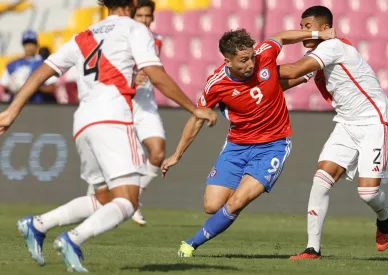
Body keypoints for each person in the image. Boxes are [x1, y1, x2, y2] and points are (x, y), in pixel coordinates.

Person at [0, 0, 217, 272]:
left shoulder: (85, 34)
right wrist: (194, 109)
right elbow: (155, 74)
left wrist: (11, 111)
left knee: (103, 198)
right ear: (132, 4)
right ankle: (73, 239)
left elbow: (42, 71)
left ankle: (37, 225)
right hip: (112, 118)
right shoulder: (134, 29)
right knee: (127, 201)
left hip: (83, 123)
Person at [161, 28, 336, 257]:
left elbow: (281, 37)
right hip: (236, 147)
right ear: (228, 60)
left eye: (252, 57)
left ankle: (190, 244)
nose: (251, 63)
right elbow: (197, 119)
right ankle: (219, 219)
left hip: (273, 146)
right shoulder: (216, 84)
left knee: (237, 202)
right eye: (243, 60)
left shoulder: (265, 54)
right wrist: (177, 154)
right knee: (212, 206)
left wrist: (316, 34)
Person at [277, 6, 388, 260]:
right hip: (346, 123)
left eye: (307, 27)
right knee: (321, 179)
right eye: (300, 26)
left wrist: (257, 70)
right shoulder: (318, 52)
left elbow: (292, 70)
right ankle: (313, 249)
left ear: (323, 27)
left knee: (368, 194)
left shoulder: (333, 48)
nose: (302, 32)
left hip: (374, 122)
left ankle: (384, 217)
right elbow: (289, 81)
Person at [86, 0, 164, 226]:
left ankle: (134, 199)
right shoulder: (119, 37)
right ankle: (95, 198)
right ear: (132, 15)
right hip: (122, 103)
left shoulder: (156, 40)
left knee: (157, 154)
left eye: (148, 16)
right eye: (140, 16)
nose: (145, 20)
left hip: (146, 105)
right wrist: (132, 78)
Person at [0, 30, 57, 103]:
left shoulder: (45, 64)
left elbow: (51, 88)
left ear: (37, 45)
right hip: (16, 105)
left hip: (38, 105)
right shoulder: (11, 65)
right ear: (23, 45)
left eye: (31, 43)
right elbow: (4, 86)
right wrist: (15, 87)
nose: (29, 47)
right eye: (26, 44)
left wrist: (31, 86)